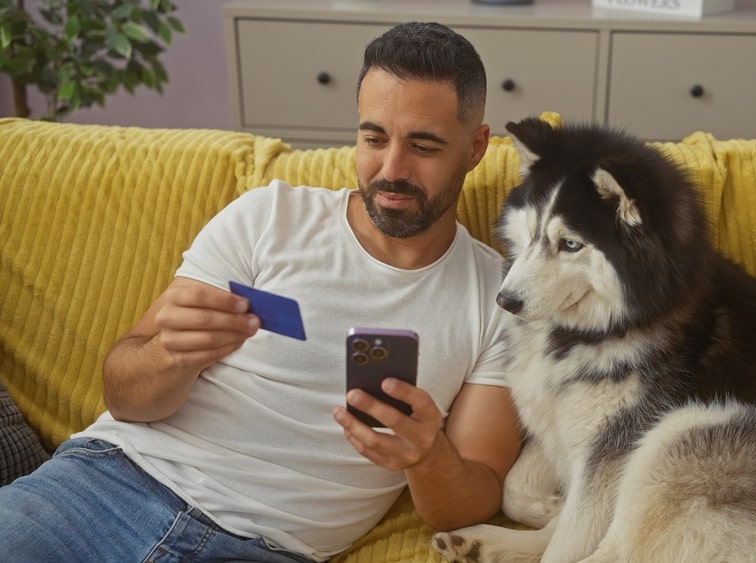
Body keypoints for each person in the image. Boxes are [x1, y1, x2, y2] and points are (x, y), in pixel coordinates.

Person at [0, 22, 522, 562]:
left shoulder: (501, 303)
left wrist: (427, 455)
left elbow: (474, 497)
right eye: (373, 138)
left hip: (267, 548)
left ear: (475, 147)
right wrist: (168, 356)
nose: (391, 170)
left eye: (423, 145)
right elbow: (124, 395)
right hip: (102, 487)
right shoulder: (269, 215)